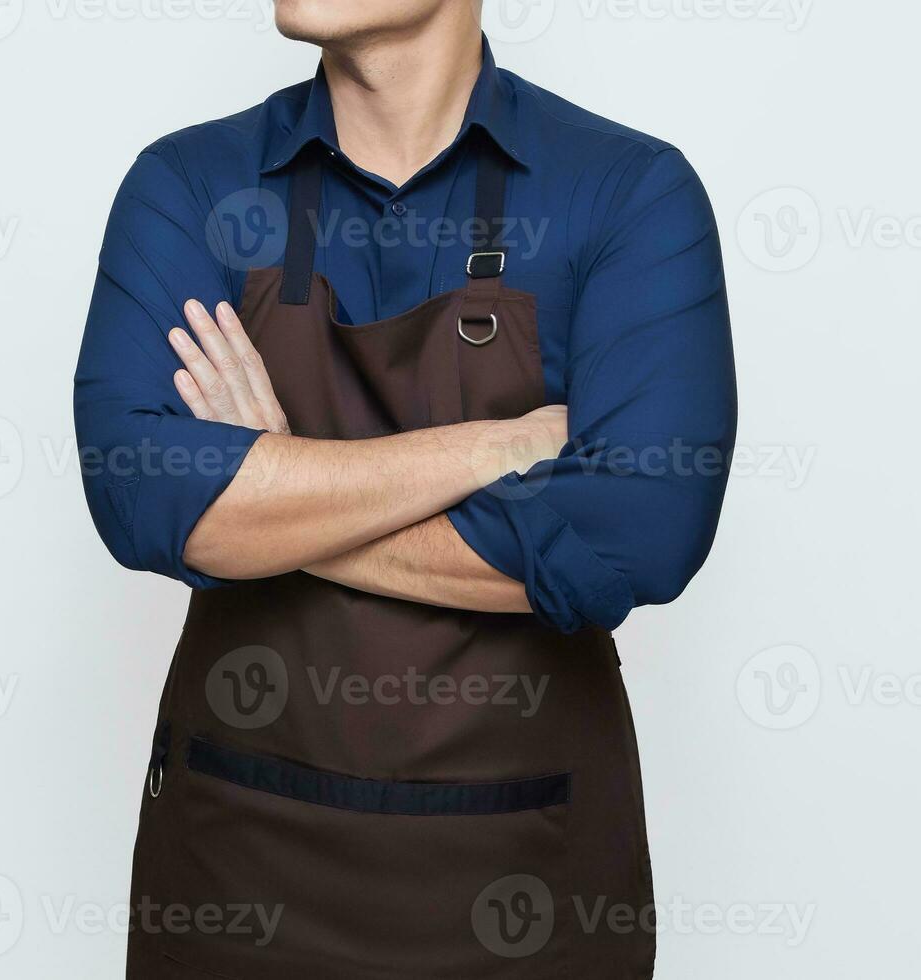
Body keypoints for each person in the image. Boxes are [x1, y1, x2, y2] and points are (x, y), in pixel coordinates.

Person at [74, 1, 736, 975]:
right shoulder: (188, 184)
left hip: (528, 873)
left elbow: (635, 535)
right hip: (236, 864)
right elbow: (140, 495)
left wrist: (272, 477)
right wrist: (487, 447)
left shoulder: (627, 193)